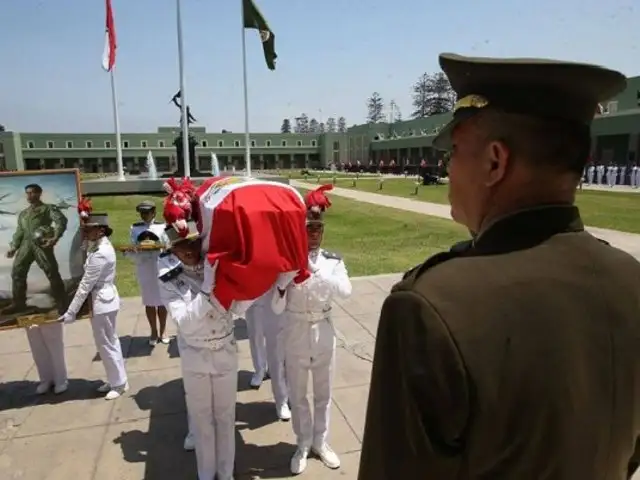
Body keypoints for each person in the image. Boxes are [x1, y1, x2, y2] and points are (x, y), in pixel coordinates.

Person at [358, 52, 640, 480]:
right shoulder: (631, 282)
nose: (448, 168)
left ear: (494, 162)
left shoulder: (430, 308)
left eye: (454, 151)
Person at [273, 186, 352, 475]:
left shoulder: (332, 261)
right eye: (309, 227)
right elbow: (276, 308)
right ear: (300, 229)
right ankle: (303, 443)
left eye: (318, 227)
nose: (315, 232)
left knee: (323, 392)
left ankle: (321, 440)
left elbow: (346, 291)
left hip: (323, 330)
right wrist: (283, 283)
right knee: (298, 393)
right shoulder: (288, 262)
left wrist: (317, 271)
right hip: (295, 331)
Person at [157, 220, 237, 480]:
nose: (189, 250)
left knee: (225, 419)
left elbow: (238, 309)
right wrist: (207, 291)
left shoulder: (218, 270)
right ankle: (206, 475)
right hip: (195, 356)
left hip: (224, 351)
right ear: (173, 250)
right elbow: (185, 323)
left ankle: (225, 474)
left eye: (193, 242)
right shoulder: (171, 281)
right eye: (181, 245)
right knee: (202, 421)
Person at [58, 212, 128, 401]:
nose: (86, 232)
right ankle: (118, 379)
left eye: (89, 229)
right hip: (103, 299)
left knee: (106, 343)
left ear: (101, 230)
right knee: (109, 342)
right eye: (85, 229)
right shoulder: (97, 246)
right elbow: (84, 251)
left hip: (102, 302)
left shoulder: (101, 253)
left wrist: (71, 311)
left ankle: (118, 384)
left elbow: (85, 285)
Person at [4, 183, 68, 315]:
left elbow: (61, 221)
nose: (29, 195)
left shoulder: (47, 209)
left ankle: (62, 303)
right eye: (27, 193)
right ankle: (19, 303)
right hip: (25, 246)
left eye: (32, 192)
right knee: (17, 273)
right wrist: (14, 247)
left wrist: (55, 237)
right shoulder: (24, 214)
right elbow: (20, 231)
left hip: (41, 245)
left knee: (52, 272)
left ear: (39, 193)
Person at [124, 200, 169, 346]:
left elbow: (168, 245)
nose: (144, 215)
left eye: (147, 212)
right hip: (145, 267)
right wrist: (134, 249)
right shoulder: (135, 228)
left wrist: (159, 246)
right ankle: (153, 331)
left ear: (154, 213)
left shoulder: (162, 226)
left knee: (162, 301)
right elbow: (132, 244)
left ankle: (163, 330)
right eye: (142, 213)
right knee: (149, 302)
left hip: (159, 265)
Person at [244, 288, 291, 420]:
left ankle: (284, 396)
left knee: (280, 349)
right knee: (255, 333)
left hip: (276, 292)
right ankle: (260, 369)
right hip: (253, 292)